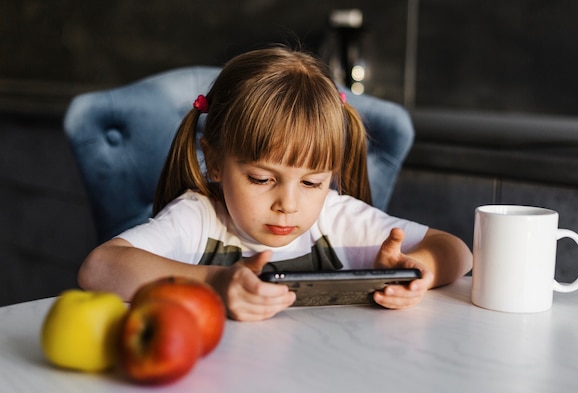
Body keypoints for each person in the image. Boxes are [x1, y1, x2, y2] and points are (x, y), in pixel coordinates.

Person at [78, 46, 472, 321]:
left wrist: (413, 272)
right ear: (214, 161)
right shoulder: (199, 218)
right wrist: (216, 282)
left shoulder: (337, 218)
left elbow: (455, 251)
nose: (288, 203)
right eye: (262, 178)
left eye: (313, 182)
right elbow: (99, 268)